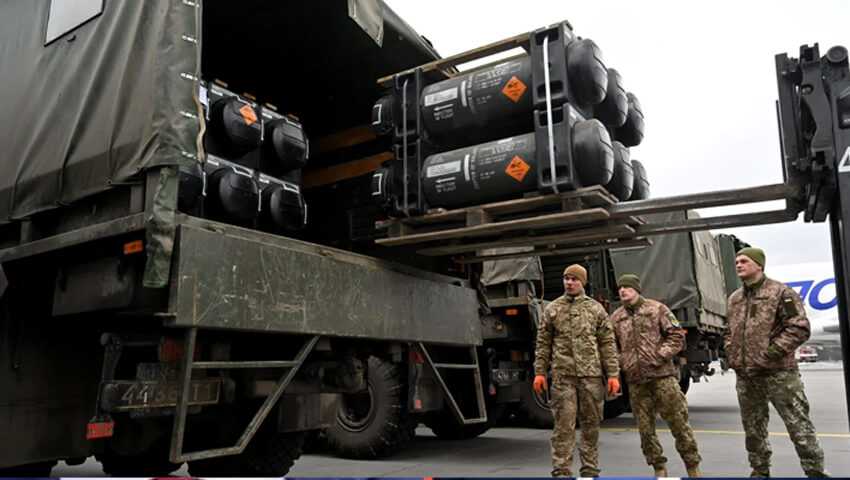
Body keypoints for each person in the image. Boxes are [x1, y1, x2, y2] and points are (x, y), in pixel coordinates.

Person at [724, 247, 829, 477]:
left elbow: (799, 328)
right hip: (747, 376)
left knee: (799, 427)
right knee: (753, 430)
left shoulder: (781, 292)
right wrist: (731, 352)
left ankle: (815, 472)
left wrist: (770, 353)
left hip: (779, 374)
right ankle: (760, 470)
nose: (738, 265)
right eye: (737, 262)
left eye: (744, 261)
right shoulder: (735, 299)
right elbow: (728, 331)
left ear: (759, 265)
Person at [609, 274, 702, 478]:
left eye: (627, 287)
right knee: (645, 431)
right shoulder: (616, 317)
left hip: (663, 378)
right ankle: (659, 468)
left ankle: (692, 466)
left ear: (637, 289)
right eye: (620, 288)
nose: (623, 290)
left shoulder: (657, 309)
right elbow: (610, 346)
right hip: (636, 382)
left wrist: (661, 355)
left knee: (679, 423)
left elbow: (677, 336)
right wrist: (622, 362)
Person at [533, 264, 620, 477]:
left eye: (574, 279)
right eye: (566, 278)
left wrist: (613, 375)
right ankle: (562, 471)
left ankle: (589, 470)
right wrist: (539, 371)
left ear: (583, 282)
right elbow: (543, 343)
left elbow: (607, 343)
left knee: (591, 426)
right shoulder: (553, 309)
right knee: (564, 427)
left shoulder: (595, 309)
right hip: (563, 378)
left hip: (590, 377)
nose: (569, 282)